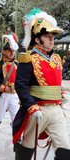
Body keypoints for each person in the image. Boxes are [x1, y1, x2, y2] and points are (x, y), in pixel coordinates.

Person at [13, 8, 70, 160]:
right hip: (37, 109)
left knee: (65, 148)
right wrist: (31, 106)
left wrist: (61, 94)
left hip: (56, 110)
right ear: (37, 39)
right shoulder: (28, 58)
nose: (51, 39)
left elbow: (54, 83)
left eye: (52, 36)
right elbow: (21, 85)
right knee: (27, 147)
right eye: (47, 36)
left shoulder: (57, 58)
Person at [0, 32, 19, 148]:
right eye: (10, 50)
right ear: (4, 51)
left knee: (16, 118)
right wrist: (3, 87)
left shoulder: (17, 64)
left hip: (14, 95)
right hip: (2, 95)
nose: (12, 53)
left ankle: (17, 141)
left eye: (13, 51)